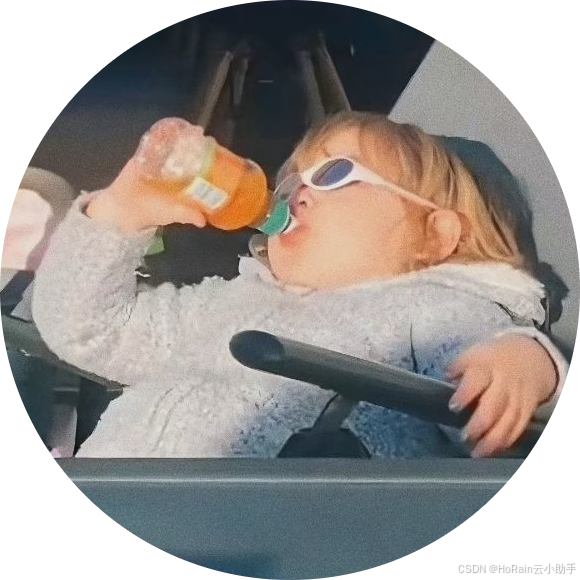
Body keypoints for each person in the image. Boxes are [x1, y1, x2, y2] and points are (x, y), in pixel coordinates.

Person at [31, 111, 567, 458]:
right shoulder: (223, 304)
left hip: (275, 534)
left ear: (435, 235)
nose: (299, 192)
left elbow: (485, 358)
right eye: (296, 178)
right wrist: (119, 213)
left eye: (335, 174)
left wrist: (529, 364)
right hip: (119, 493)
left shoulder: (432, 310)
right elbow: (88, 330)